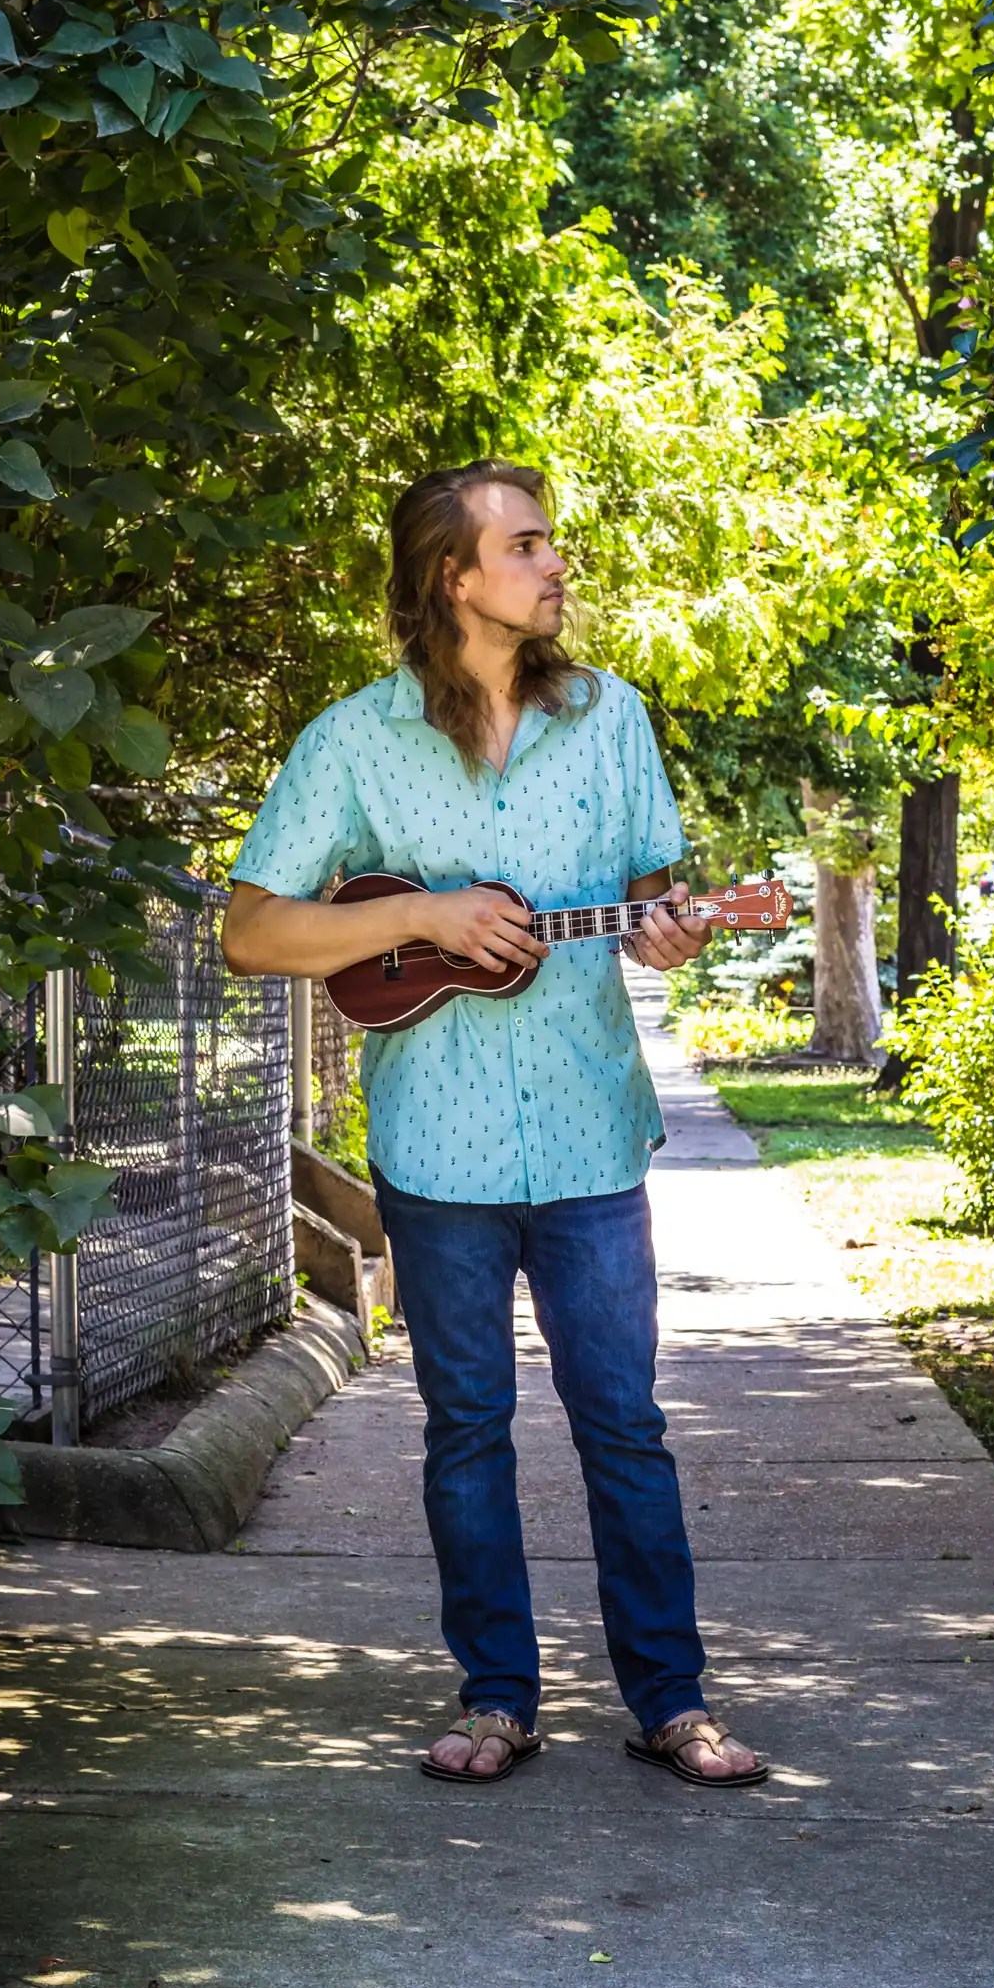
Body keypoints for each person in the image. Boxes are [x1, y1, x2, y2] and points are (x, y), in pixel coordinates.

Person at [221, 460, 765, 1788]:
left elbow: (653, 918)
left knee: (621, 1423)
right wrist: (420, 914)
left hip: (589, 1132)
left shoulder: (612, 719)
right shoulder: (354, 740)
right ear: (454, 579)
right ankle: (495, 1699)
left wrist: (681, 932)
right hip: (435, 1145)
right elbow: (253, 931)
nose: (554, 565)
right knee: (466, 1428)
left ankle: (673, 1701)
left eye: (551, 545)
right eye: (525, 547)